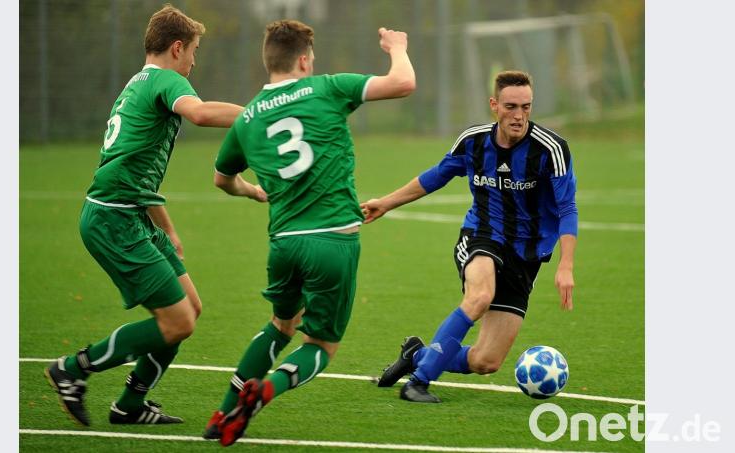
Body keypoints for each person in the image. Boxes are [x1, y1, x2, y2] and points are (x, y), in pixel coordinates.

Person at [205, 20, 415, 445]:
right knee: (321, 344)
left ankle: (222, 414)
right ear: (304, 60)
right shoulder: (327, 88)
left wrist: (254, 192)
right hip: (333, 239)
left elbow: (222, 179)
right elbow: (403, 83)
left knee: (281, 325)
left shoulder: (247, 118)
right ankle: (265, 391)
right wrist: (397, 47)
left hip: (283, 243)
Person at [44, 4, 248, 426]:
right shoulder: (166, 80)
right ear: (177, 48)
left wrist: (167, 229)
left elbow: (136, 165)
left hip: (132, 213)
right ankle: (73, 368)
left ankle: (130, 405)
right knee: (175, 321)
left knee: (190, 308)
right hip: (114, 219)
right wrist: (260, 114)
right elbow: (202, 112)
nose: (194, 61)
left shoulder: (137, 84)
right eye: (193, 51)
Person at [363, 70, 577, 403]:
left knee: (485, 361)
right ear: (494, 105)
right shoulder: (473, 141)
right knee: (479, 297)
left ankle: (418, 355)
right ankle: (418, 383)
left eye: (526, 106)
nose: (519, 115)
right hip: (482, 235)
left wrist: (566, 265)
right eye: (510, 106)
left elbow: (567, 209)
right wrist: (386, 203)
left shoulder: (551, 149)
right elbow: (435, 177)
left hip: (527, 257)